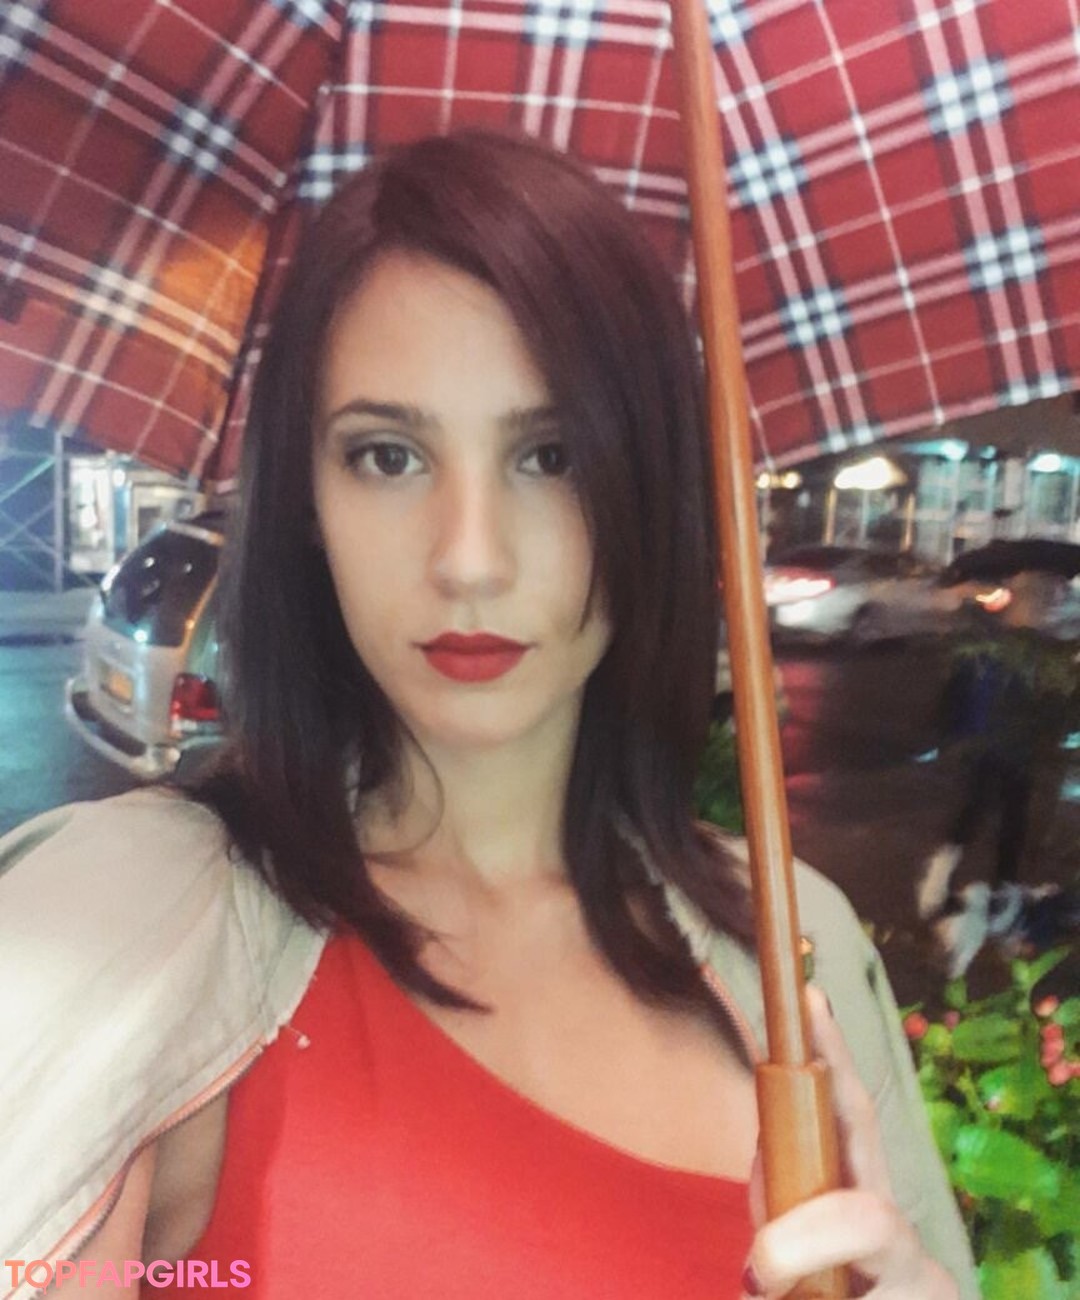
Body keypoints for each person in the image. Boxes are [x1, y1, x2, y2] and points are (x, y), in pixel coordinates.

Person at [1, 131, 975, 1299]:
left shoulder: (795, 948)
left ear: (649, 483)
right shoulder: (125, 929)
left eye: (550, 455)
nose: (469, 558)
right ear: (305, 496)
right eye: (388, 456)